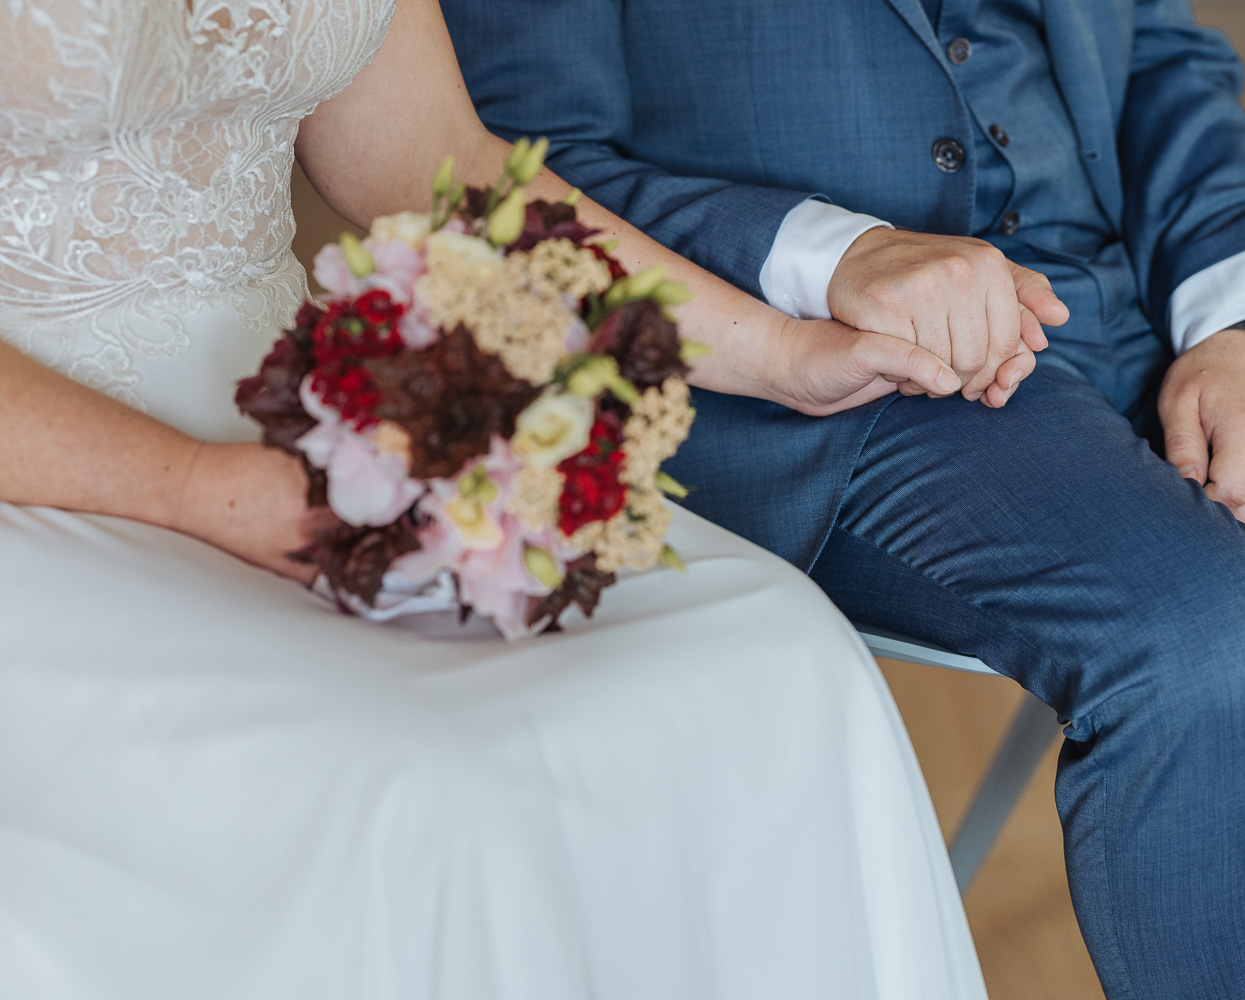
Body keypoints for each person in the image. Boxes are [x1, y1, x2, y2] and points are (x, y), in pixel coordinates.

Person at [444, 0, 1245, 997]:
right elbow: (514, 159)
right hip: (824, 366)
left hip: (1135, 279)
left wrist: (1242, 328)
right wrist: (837, 257)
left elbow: (1160, 51)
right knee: (1204, 640)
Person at [0, 1, 1029, 996]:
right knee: (427, 786)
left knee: (782, 653)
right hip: (49, 463)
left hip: (318, 403)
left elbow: (439, 167)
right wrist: (195, 487)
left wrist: (782, 352)